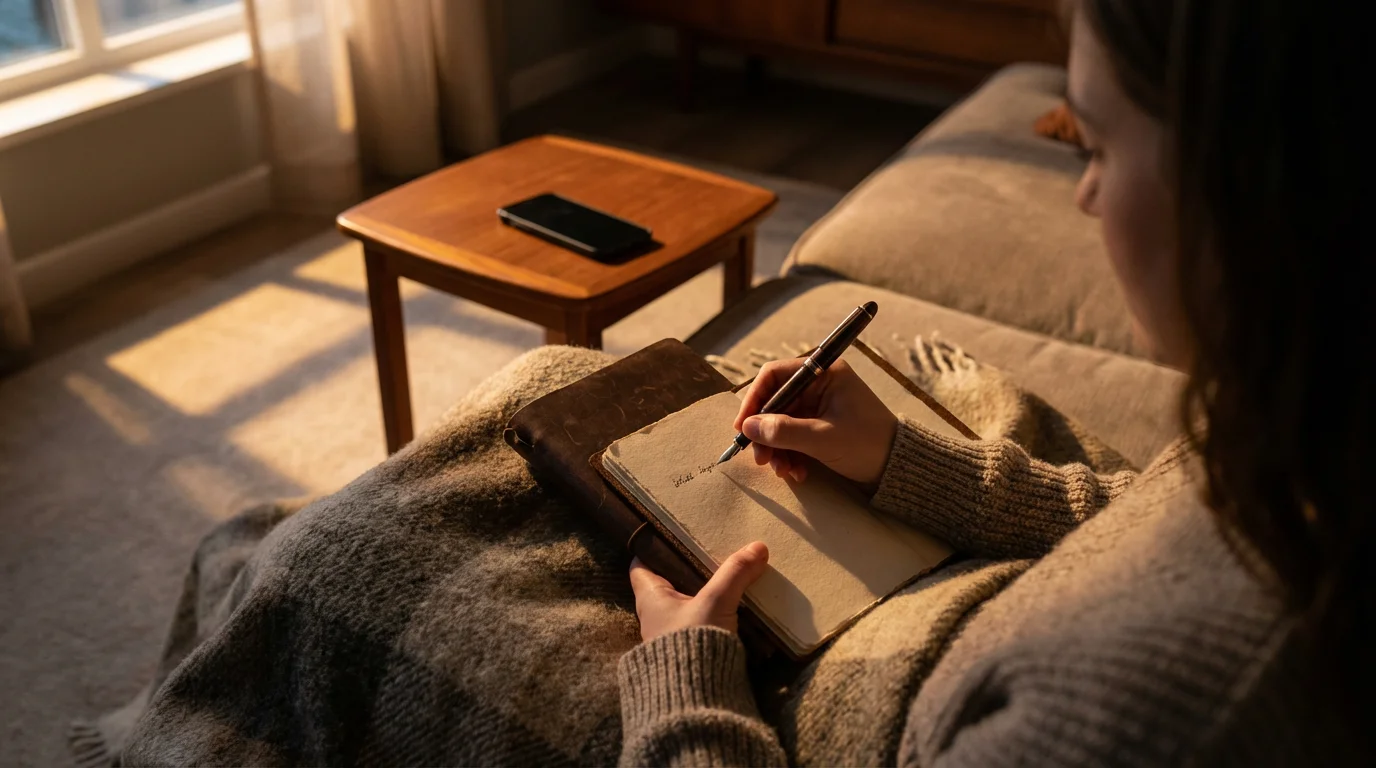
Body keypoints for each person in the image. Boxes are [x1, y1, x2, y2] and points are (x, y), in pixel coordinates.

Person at [620, 0, 1372, 764]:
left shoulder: (1139, 721)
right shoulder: (1303, 426)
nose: (1084, 195)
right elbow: (1134, 518)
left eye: (1099, 149)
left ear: (1253, 182)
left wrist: (685, 690)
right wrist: (905, 462)